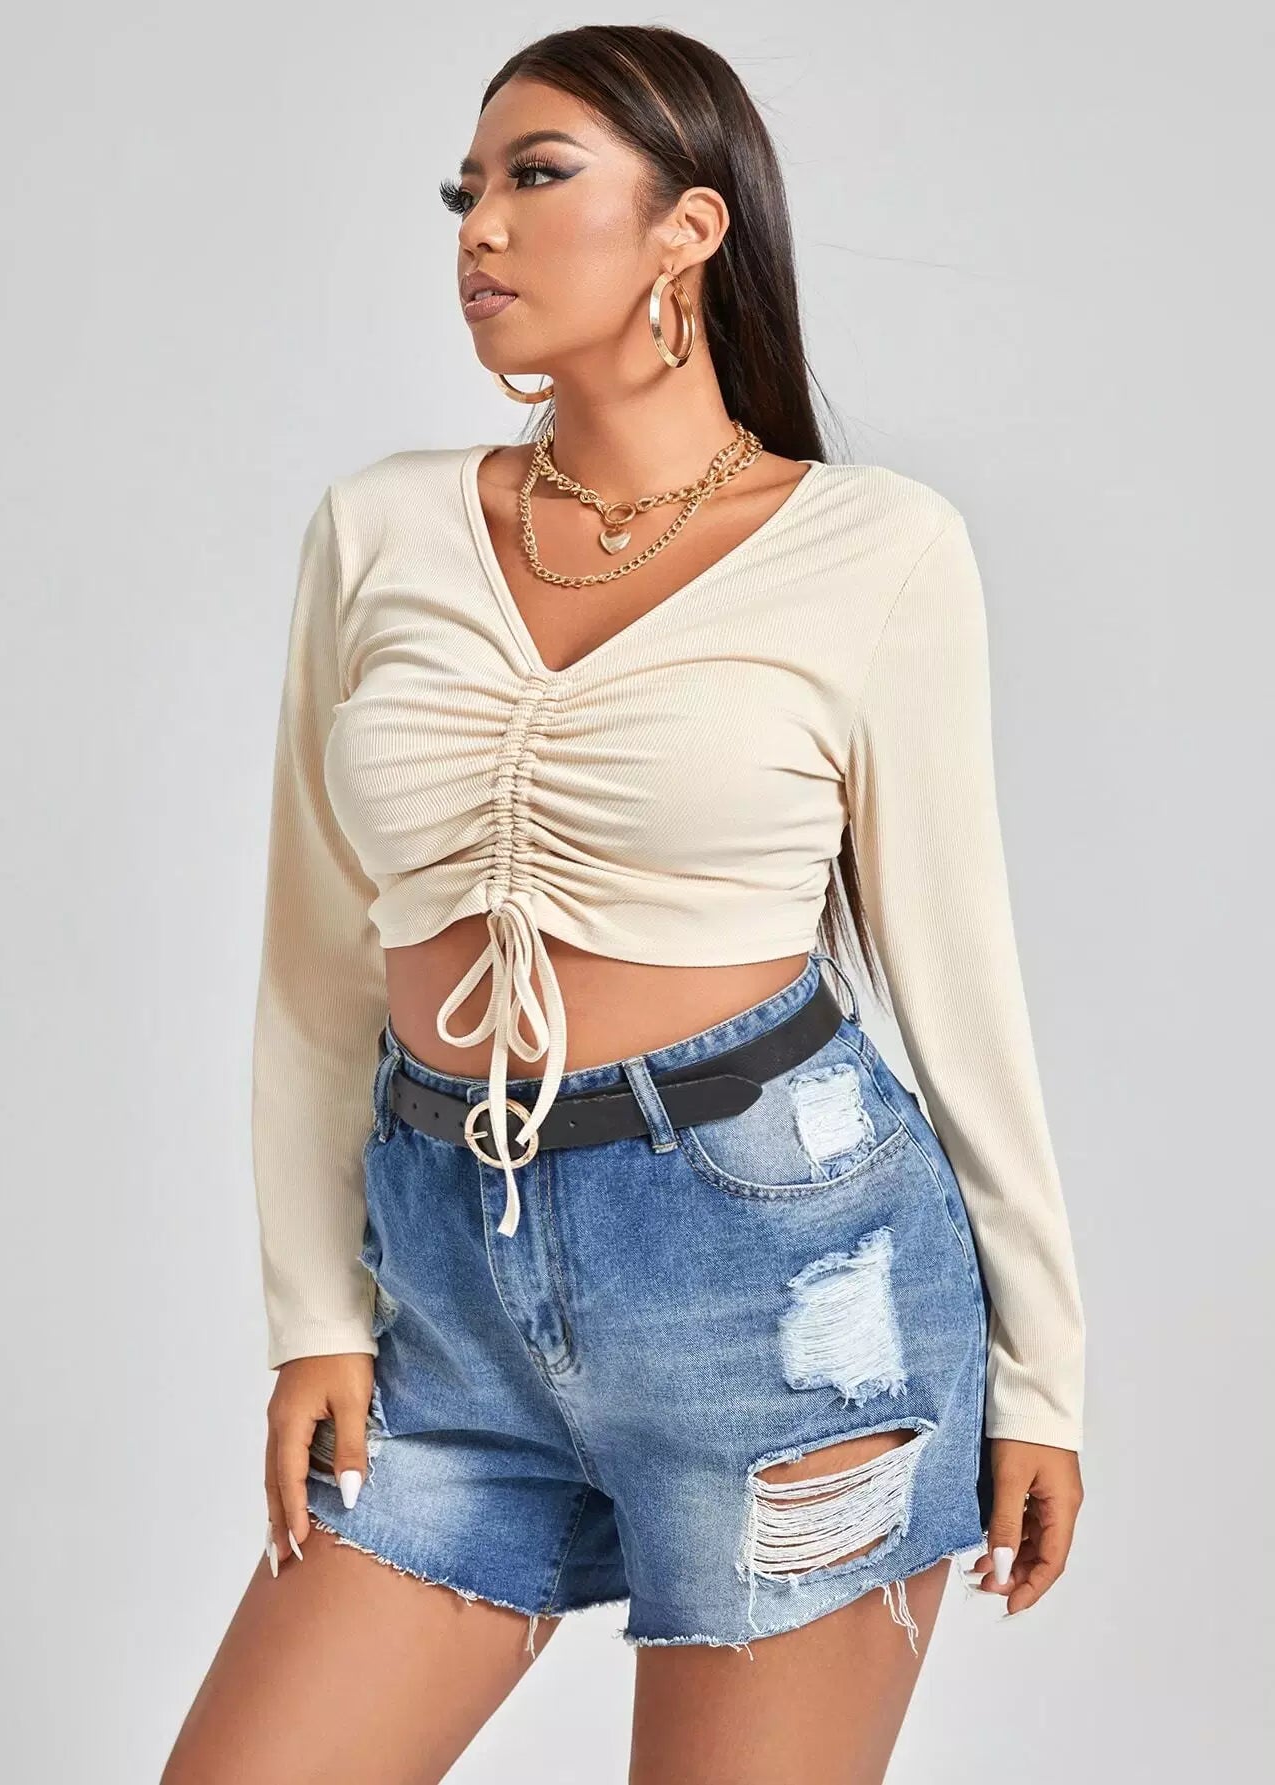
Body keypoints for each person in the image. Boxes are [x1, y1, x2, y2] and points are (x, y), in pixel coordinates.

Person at [163, 23, 1086, 1785]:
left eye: (536, 176)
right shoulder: (380, 530)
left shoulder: (876, 547)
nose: (479, 229)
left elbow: (960, 977)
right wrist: (314, 1315)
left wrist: (1045, 1370)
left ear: (690, 227)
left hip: (788, 1279)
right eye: (465, 191)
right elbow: (312, 966)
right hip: (445, 1289)